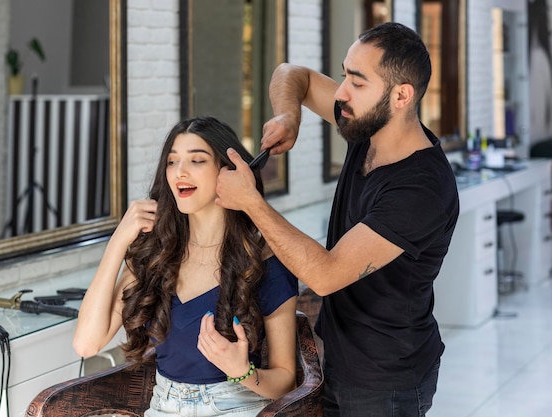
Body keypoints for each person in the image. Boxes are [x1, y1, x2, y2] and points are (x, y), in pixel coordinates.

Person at [215, 22, 459, 417]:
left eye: (357, 83)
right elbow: (293, 74)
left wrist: (251, 203)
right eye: (345, 74)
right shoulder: (369, 127)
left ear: (401, 95)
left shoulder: (421, 189)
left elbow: (326, 275)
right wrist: (289, 116)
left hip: (388, 379)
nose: (342, 93)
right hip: (343, 357)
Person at [73, 115, 299, 417]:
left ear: (227, 171)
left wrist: (243, 371)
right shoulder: (156, 254)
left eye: (197, 160)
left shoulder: (263, 262)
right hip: (163, 406)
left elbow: (286, 380)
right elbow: (87, 344)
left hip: (236, 406)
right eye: (171, 161)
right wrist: (118, 242)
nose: (180, 172)